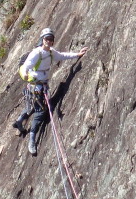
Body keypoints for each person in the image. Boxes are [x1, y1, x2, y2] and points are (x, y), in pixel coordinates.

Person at [13, 27, 88, 155]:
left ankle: (20, 121)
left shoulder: (51, 53)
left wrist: (78, 54)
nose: (49, 41)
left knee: (31, 107)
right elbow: (26, 66)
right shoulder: (37, 53)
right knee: (40, 113)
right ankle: (32, 140)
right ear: (42, 39)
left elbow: (63, 55)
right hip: (36, 86)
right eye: (47, 39)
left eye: (51, 39)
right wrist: (25, 74)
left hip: (40, 86)